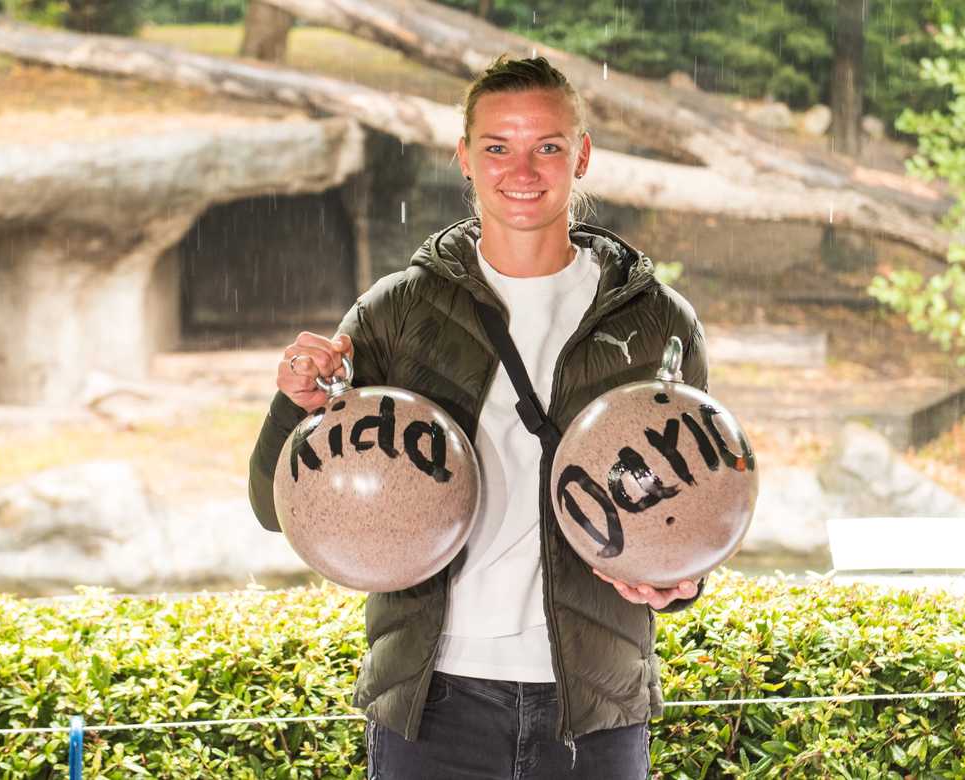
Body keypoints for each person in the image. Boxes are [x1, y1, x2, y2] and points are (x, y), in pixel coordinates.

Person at [248, 55, 709, 779]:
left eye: (546, 147)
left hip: (593, 701)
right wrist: (293, 405)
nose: (520, 171)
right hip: (432, 702)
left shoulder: (656, 320)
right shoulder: (395, 313)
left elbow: (693, 501)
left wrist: (680, 579)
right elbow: (276, 509)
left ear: (581, 155)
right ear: (464, 157)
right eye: (497, 146)